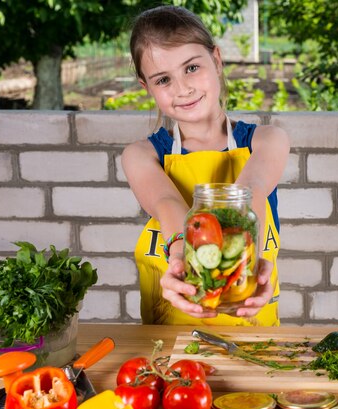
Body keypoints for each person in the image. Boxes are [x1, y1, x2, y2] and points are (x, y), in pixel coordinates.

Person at [122, 5, 289, 326]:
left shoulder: (268, 141)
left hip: (252, 322)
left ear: (216, 60)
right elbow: (166, 201)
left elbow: (248, 193)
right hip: (175, 330)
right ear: (147, 87)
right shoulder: (141, 155)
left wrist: (240, 267)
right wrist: (182, 250)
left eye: (191, 68)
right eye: (163, 79)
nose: (182, 88)